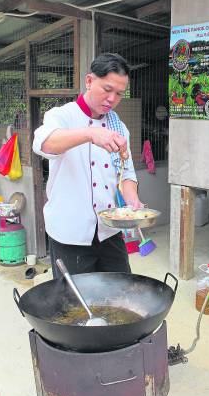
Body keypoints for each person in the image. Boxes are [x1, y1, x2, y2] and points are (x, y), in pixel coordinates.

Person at [33, 53, 143, 278]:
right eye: (107, 89)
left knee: (121, 290)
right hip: (69, 233)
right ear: (89, 81)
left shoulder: (118, 126)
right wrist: (90, 134)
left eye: (119, 94)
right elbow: (45, 144)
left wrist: (132, 201)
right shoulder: (62, 116)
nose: (112, 99)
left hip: (109, 230)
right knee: (74, 303)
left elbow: (126, 172)